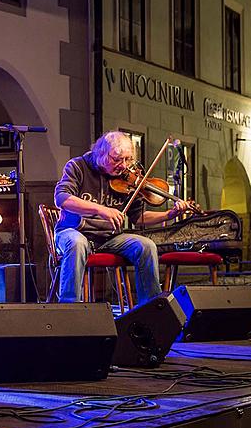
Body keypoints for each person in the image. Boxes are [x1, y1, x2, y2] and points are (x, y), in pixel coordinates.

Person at [53, 131, 194, 305]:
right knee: (77, 243)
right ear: (101, 154)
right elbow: (62, 198)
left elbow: (139, 217)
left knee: (146, 246)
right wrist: (102, 210)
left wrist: (169, 214)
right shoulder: (78, 166)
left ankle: (150, 308)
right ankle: (69, 308)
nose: (124, 166)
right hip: (74, 230)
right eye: (117, 160)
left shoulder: (128, 178)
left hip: (109, 237)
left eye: (128, 159)